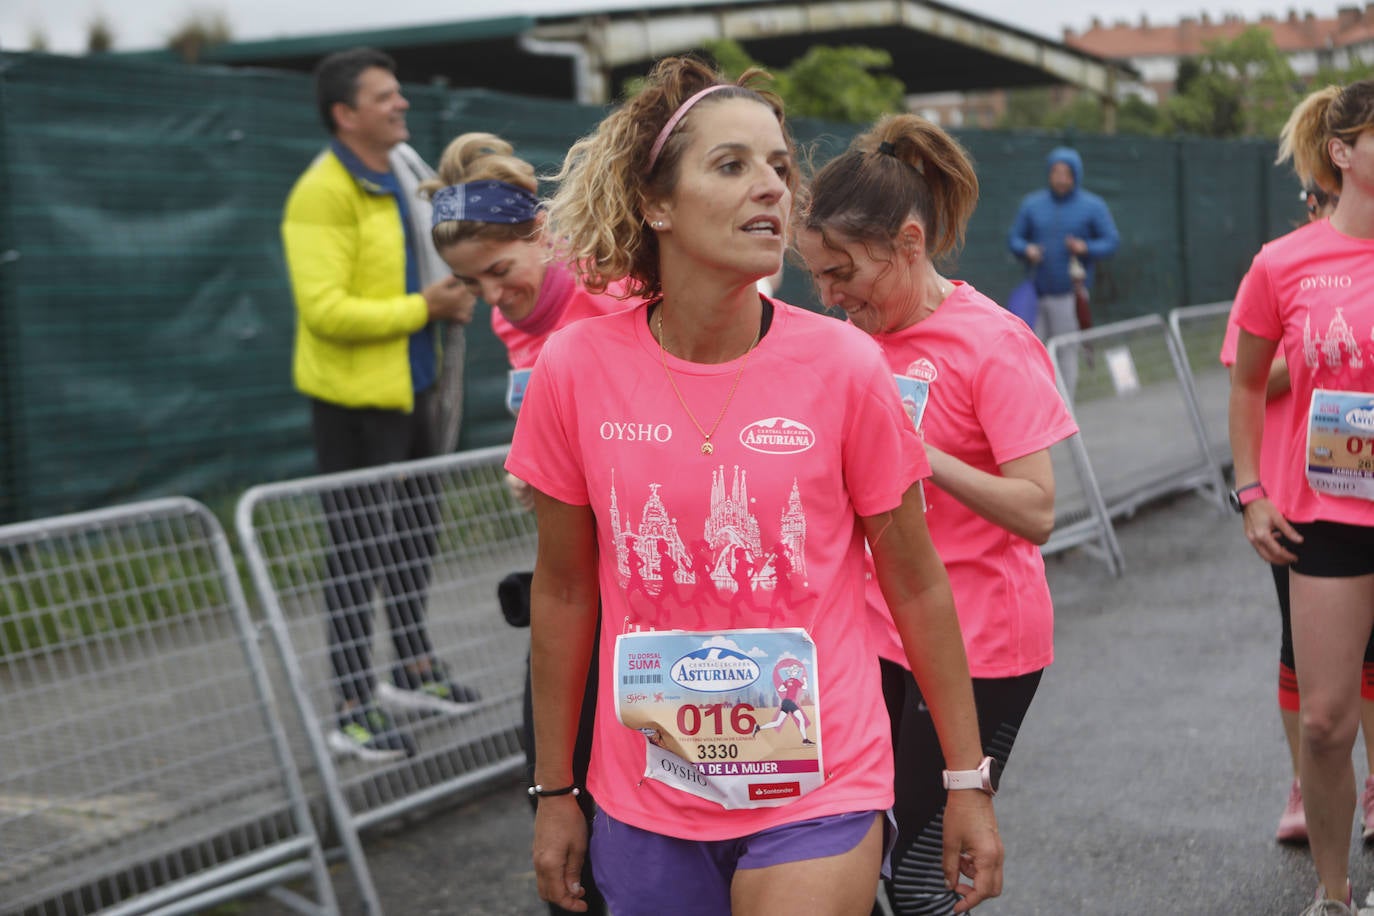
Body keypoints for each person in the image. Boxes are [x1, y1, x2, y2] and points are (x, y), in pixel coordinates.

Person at [506, 56, 1002, 915]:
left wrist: (967, 780)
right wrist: (554, 793)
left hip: (822, 784)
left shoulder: (845, 365)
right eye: (731, 166)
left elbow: (916, 583)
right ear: (655, 203)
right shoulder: (574, 369)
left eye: (778, 166)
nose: (772, 188)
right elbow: (563, 591)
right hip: (646, 795)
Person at [798, 114, 1077, 916]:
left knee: (917, 875)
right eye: (816, 276)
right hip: (876, 632)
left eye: (843, 270)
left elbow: (1039, 509)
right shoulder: (847, 344)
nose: (830, 295)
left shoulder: (994, 343)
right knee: (853, 850)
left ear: (909, 243)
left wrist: (923, 456)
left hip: (985, 644)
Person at [422, 130, 635, 916]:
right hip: (572, 576)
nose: (488, 298)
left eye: (498, 273)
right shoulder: (513, 318)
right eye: (468, 284)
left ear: (543, 235)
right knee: (552, 778)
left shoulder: (614, 291)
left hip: (646, 585)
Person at [281, 47, 480, 763]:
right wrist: (424, 305)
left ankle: (412, 666)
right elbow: (324, 309)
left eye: (399, 93)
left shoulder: (401, 173)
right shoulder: (321, 191)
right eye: (384, 96)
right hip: (357, 405)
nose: (400, 104)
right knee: (355, 553)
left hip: (418, 389)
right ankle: (352, 702)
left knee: (414, 535)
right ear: (346, 114)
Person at [1228, 79, 1374, 916]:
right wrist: (1251, 488)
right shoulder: (1284, 264)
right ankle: (1333, 892)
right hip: (1329, 517)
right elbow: (1248, 384)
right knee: (1325, 721)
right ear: (1343, 153)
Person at [1006, 146, 1120, 396]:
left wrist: (1085, 246)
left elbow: (1111, 241)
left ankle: (1064, 404)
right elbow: (1014, 238)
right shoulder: (1032, 205)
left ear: (1075, 175)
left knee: (1067, 350)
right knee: (1031, 349)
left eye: (1066, 173)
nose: (1060, 178)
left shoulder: (1092, 206)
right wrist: (1027, 249)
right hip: (1037, 293)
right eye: (1055, 172)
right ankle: (1037, 401)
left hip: (1070, 295)